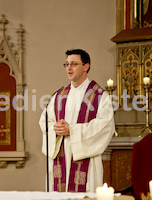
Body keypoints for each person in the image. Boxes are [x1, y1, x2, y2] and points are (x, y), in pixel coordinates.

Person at [39, 49, 115, 193]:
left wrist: (72, 130)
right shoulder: (59, 95)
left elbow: (105, 125)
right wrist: (56, 128)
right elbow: (45, 121)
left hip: (84, 154)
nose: (69, 68)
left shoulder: (99, 95)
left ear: (86, 66)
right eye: (66, 64)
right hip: (60, 152)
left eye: (73, 64)